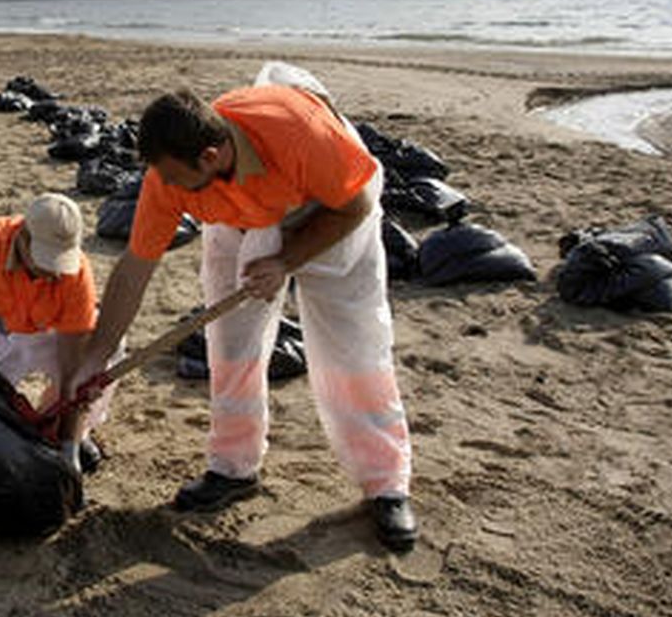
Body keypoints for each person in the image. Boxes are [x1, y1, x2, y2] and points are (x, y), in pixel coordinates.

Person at [77, 67, 417, 551]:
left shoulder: (303, 134)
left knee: (355, 351)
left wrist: (287, 260)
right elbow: (135, 268)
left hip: (332, 212)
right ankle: (234, 468)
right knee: (231, 346)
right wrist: (100, 354)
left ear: (210, 155)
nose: (168, 188)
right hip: (242, 219)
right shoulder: (169, 179)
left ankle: (386, 484)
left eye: (176, 178)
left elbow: (356, 205)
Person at [0, 192, 112, 474]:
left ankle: (69, 433)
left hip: (47, 335)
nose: (54, 273)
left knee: (101, 355)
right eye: (45, 260)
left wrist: (69, 447)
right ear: (23, 238)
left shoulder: (76, 274)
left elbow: (72, 365)